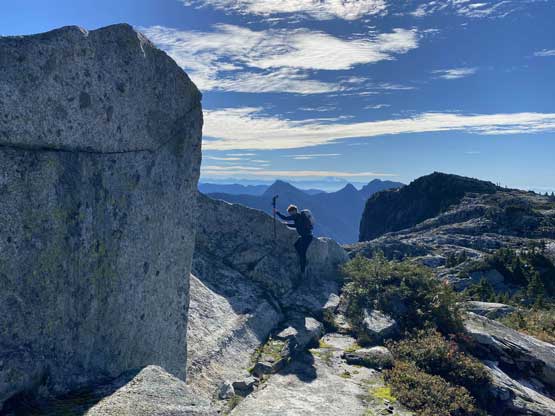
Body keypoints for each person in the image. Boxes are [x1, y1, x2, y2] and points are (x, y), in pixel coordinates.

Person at [274, 204, 313, 274]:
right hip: (305, 236)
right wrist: (287, 225)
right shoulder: (299, 217)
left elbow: (285, 218)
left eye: (290, 212)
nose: (290, 214)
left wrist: (277, 212)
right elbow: (296, 225)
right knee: (296, 245)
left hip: (306, 237)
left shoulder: (296, 216)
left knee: (302, 252)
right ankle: (302, 260)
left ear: (294, 211)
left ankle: (303, 269)